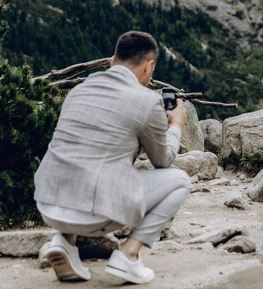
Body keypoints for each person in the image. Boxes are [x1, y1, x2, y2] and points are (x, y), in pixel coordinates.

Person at [34, 31, 191, 284]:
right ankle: (128, 256)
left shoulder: (78, 91)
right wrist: (176, 125)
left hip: (48, 205)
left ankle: (63, 241)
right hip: (94, 215)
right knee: (180, 181)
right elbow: (163, 161)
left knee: (83, 157)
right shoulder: (147, 101)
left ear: (111, 61)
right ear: (148, 66)